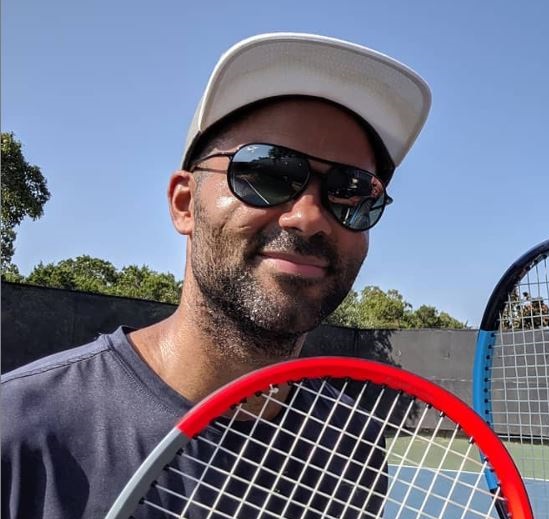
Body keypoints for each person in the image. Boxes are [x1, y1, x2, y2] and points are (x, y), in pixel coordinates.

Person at [1, 32, 431, 518]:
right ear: (185, 204)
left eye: (351, 191)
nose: (309, 217)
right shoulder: (17, 429)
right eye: (267, 173)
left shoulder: (354, 448)